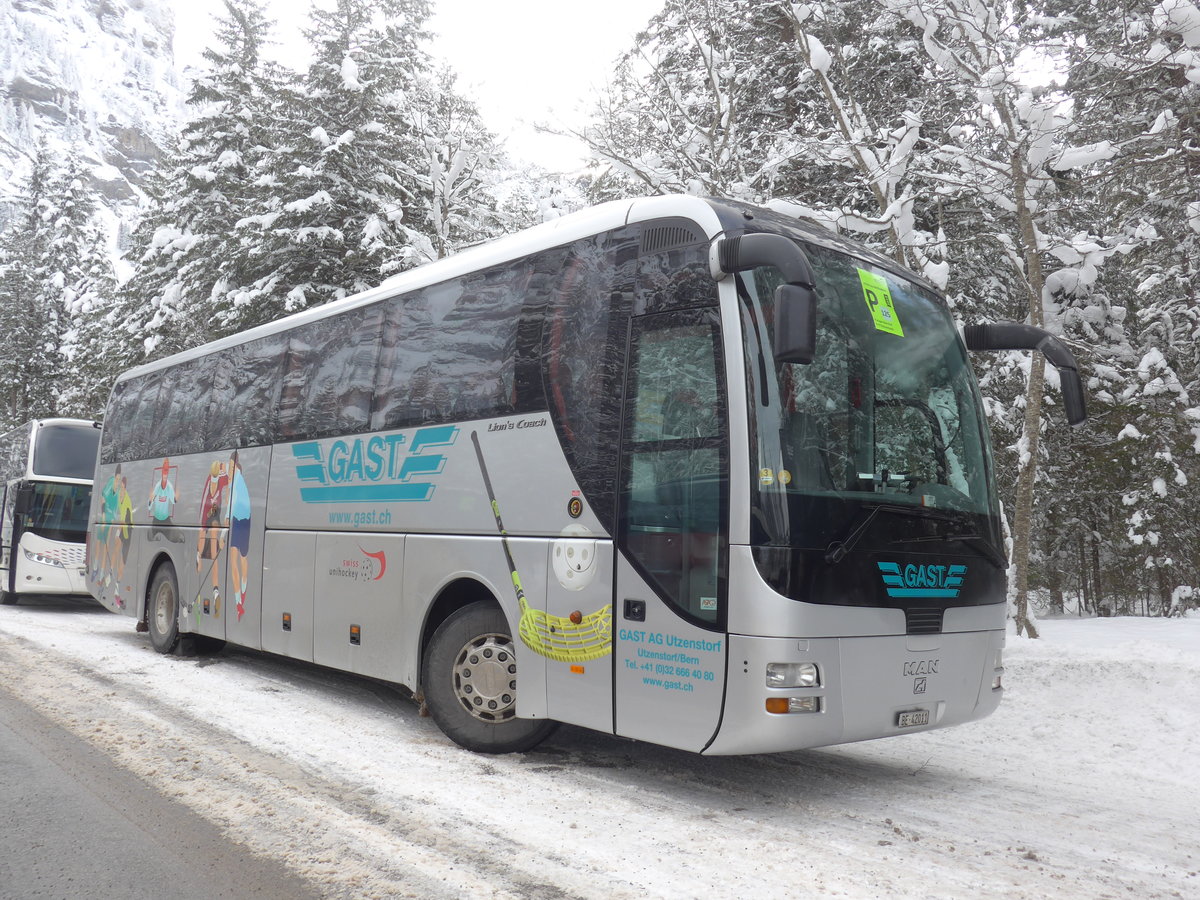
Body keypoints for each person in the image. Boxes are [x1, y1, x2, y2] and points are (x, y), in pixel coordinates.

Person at [197, 460, 228, 616]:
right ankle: (214, 588)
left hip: (211, 516)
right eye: (221, 467)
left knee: (208, 549)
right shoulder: (216, 480)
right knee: (208, 547)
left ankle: (215, 589)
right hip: (209, 516)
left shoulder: (214, 480)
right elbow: (203, 504)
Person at [227, 451, 251, 621]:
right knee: (242, 558)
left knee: (233, 561)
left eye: (230, 466)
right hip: (246, 520)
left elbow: (232, 502)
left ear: (234, 466)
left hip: (238, 520)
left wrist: (225, 525)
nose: (228, 470)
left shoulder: (235, 480)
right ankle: (242, 592)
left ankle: (238, 601)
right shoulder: (240, 478)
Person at [147, 458, 183, 543]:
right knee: (150, 540)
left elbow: (173, 501)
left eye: (166, 474)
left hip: (166, 519)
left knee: (174, 539)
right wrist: (150, 500)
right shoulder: (157, 486)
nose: (165, 476)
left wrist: (176, 497)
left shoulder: (169, 487)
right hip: (156, 519)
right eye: (164, 474)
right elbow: (149, 506)